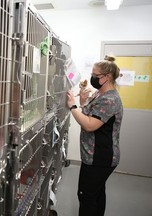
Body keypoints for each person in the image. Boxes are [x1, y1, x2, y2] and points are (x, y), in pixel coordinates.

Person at [66, 55, 123, 216]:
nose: (92, 78)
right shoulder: (100, 94)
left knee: (86, 196)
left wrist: (73, 106)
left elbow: (89, 125)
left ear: (107, 77)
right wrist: (83, 103)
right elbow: (90, 116)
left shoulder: (110, 99)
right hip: (94, 155)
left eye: (95, 76)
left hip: (100, 157)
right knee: (97, 193)